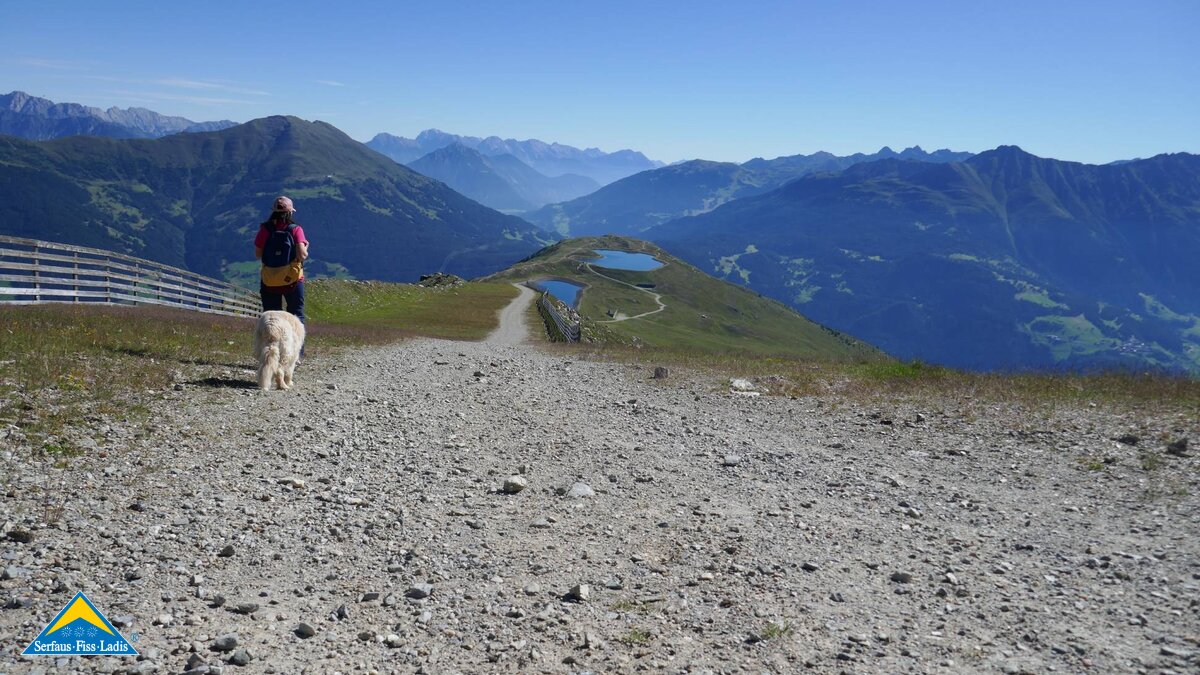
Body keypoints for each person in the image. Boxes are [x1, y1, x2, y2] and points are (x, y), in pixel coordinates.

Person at [254, 196, 310, 349]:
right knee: (296, 315)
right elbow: (302, 255)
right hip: (292, 279)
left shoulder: (265, 230)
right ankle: (296, 353)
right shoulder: (295, 229)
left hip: (269, 280)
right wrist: (305, 245)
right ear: (290, 212)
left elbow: (258, 254)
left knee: (272, 318)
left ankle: (272, 350)